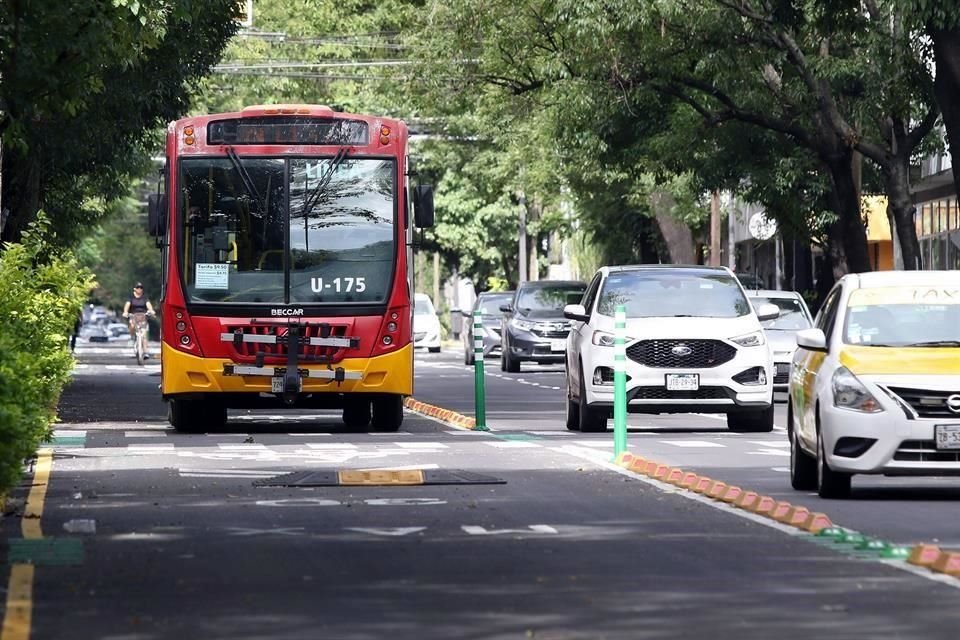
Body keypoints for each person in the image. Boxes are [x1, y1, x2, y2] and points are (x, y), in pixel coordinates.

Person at [122, 283, 156, 358]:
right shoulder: (131, 298)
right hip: (133, 316)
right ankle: (132, 337)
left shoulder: (144, 298)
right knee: (132, 325)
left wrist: (151, 311)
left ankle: (145, 352)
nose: (139, 289)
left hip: (143, 316)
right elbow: (127, 305)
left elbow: (149, 305)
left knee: (144, 335)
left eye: (141, 288)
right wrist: (125, 312)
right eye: (138, 287)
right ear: (134, 289)